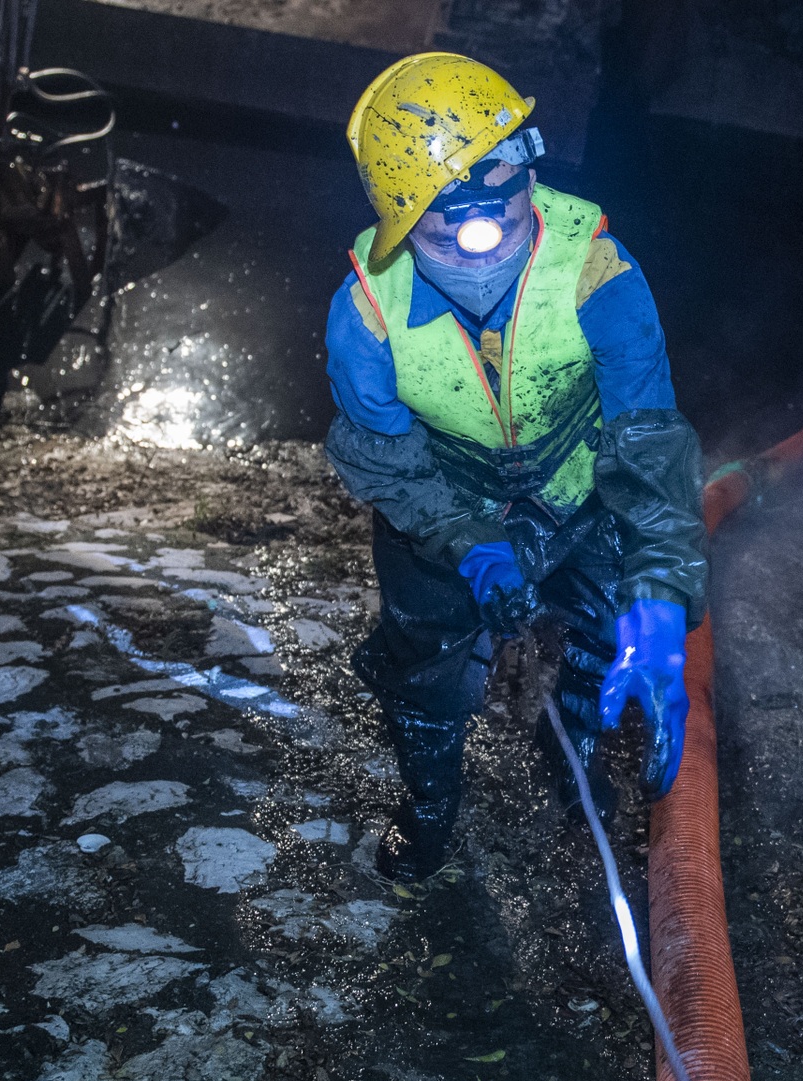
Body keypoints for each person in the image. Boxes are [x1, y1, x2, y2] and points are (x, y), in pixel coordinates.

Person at [323, 53, 707, 882]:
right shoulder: (365, 315)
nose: (483, 236)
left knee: (608, 626)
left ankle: (566, 745)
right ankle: (427, 810)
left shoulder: (597, 270)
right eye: (447, 224)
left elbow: (648, 442)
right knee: (427, 672)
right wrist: (466, 541)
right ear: (400, 219)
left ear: (528, 169)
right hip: (443, 501)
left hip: (578, 489)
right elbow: (386, 463)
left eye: (506, 196)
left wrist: (663, 597)